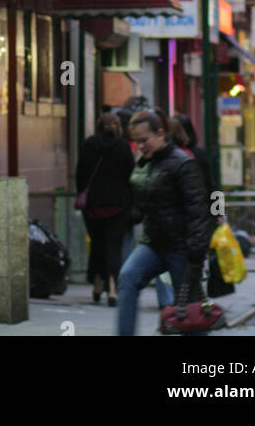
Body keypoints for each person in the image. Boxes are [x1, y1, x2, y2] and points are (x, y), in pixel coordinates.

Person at [116, 107, 212, 336]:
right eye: (136, 142)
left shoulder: (183, 163)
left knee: (189, 313)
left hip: (182, 247)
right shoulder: (145, 164)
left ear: (161, 133)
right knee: (128, 277)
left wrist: (197, 252)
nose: (140, 146)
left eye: (144, 140)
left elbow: (200, 207)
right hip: (153, 243)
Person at [76, 113, 134, 306]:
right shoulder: (123, 147)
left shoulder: (88, 145)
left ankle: (97, 283)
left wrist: (83, 194)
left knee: (97, 244)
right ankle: (112, 286)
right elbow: (130, 176)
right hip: (118, 205)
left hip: (93, 205)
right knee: (113, 246)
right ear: (117, 126)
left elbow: (80, 174)